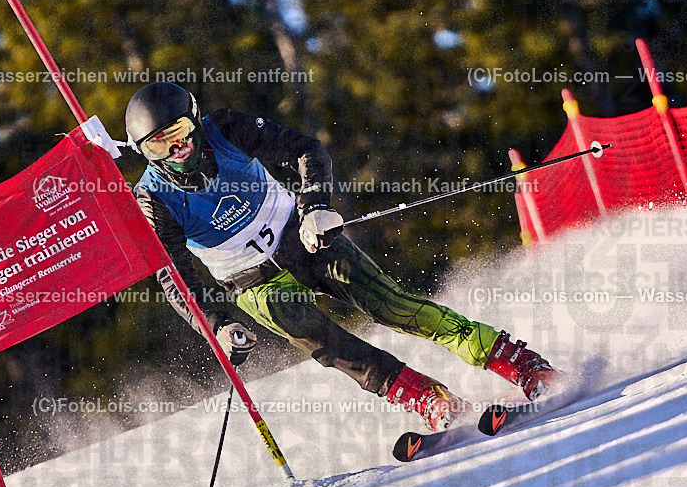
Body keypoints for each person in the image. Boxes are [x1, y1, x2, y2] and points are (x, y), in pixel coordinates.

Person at [126, 82, 555, 432]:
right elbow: (175, 279)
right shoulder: (153, 198)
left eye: (180, 132)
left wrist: (315, 204)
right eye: (158, 146)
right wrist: (218, 327)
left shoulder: (226, 129)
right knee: (325, 342)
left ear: (196, 120)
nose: (176, 149)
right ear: (144, 152)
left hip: (301, 234)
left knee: (391, 306)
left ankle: (515, 360)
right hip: (251, 281)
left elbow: (307, 150)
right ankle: (426, 397)